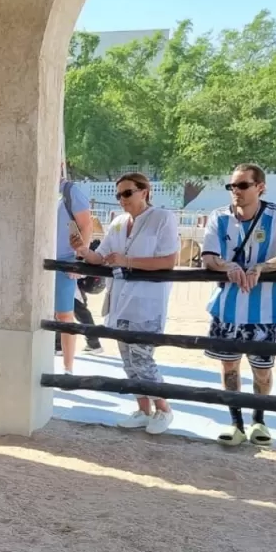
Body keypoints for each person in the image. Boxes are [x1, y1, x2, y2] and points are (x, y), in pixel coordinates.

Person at [200, 163, 276, 447]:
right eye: (232, 186)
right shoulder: (218, 216)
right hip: (225, 308)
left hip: (263, 310)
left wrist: (260, 268)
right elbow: (209, 257)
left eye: (242, 185)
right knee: (229, 367)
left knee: (262, 368)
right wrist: (228, 266)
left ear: (260, 187)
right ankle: (235, 423)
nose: (236, 191)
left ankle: (259, 420)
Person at [73, 172, 179, 434]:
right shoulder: (119, 222)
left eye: (127, 193)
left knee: (143, 359)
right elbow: (101, 257)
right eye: (119, 195)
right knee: (128, 361)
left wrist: (127, 261)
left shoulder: (162, 219)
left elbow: (168, 261)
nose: (122, 199)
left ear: (145, 191)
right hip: (120, 300)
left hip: (148, 303)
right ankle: (143, 409)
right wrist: (84, 251)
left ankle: (163, 409)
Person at [55, 175, 94, 374]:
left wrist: (79, 261)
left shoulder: (70, 191)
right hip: (40, 261)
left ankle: (68, 368)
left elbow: (86, 224)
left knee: (65, 314)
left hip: (64, 261)